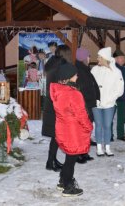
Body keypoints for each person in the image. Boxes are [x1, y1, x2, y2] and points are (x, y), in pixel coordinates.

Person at [51, 63, 93, 197]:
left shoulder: (58, 90)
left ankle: (63, 180)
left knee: (69, 156)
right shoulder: (73, 94)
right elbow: (81, 115)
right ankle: (68, 186)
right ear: (68, 77)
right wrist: (89, 127)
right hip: (74, 131)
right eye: (75, 74)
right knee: (71, 159)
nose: (77, 75)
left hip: (63, 128)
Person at [42, 44, 72, 172]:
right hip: (58, 103)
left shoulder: (52, 63)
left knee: (56, 135)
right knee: (56, 134)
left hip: (51, 102)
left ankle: (52, 160)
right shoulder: (62, 66)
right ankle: (50, 162)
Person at [91, 47, 124, 156]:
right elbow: (91, 85)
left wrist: (111, 98)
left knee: (107, 125)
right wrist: (95, 97)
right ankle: (99, 148)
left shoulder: (116, 72)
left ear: (105, 58)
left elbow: (120, 89)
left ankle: (108, 147)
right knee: (98, 125)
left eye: (99, 57)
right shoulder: (94, 70)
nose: (97, 59)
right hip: (97, 104)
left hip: (109, 104)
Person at [75, 47, 100, 163]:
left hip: (89, 103)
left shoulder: (85, 68)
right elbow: (81, 90)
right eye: (88, 56)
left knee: (86, 130)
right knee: (82, 130)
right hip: (84, 105)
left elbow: (92, 85)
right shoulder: (79, 70)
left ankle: (84, 152)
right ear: (83, 58)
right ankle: (79, 154)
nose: (90, 58)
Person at [113, 49, 125, 141]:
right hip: (114, 98)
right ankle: (110, 135)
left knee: (122, 118)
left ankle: (120, 134)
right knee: (111, 117)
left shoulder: (124, 69)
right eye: (120, 58)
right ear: (115, 59)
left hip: (123, 97)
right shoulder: (112, 69)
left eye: (123, 57)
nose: (123, 59)